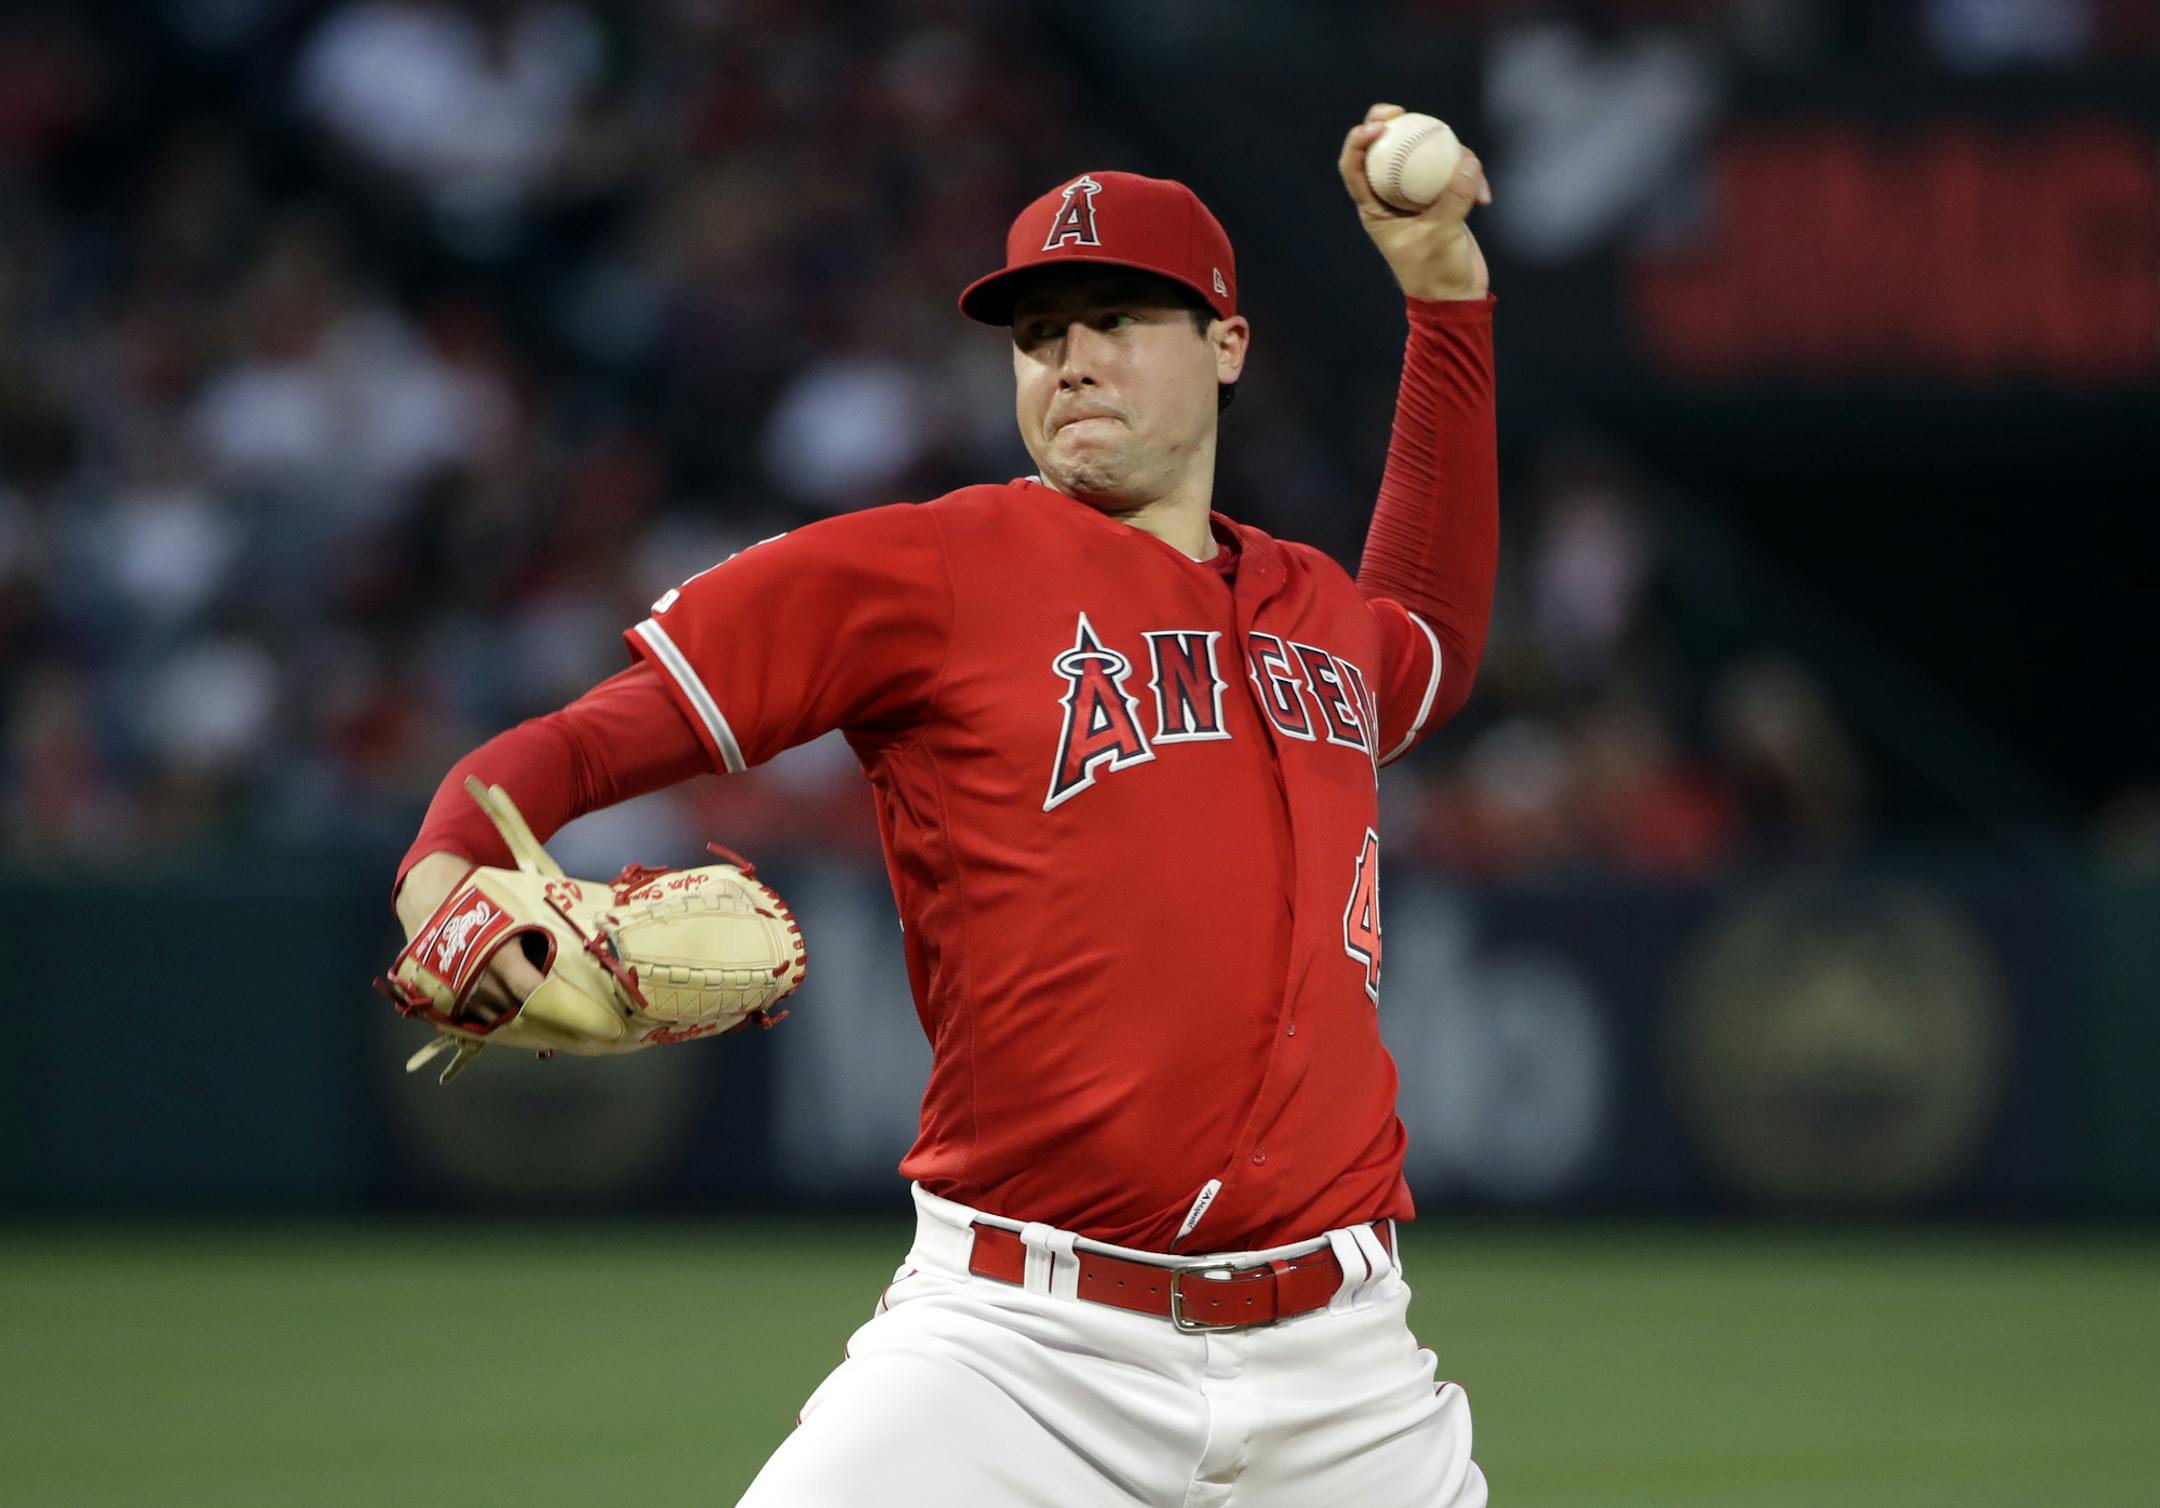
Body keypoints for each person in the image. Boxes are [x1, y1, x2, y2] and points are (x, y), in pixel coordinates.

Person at [392, 103, 1500, 1507]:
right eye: (1039, 335)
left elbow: (1435, 637)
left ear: (1227, 346)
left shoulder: (1315, 616)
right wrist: (441, 873)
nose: (1072, 360)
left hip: (1350, 1373)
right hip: (1017, 1351)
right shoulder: (926, 571)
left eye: (1118, 319)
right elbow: (587, 741)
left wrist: (1445, 296)